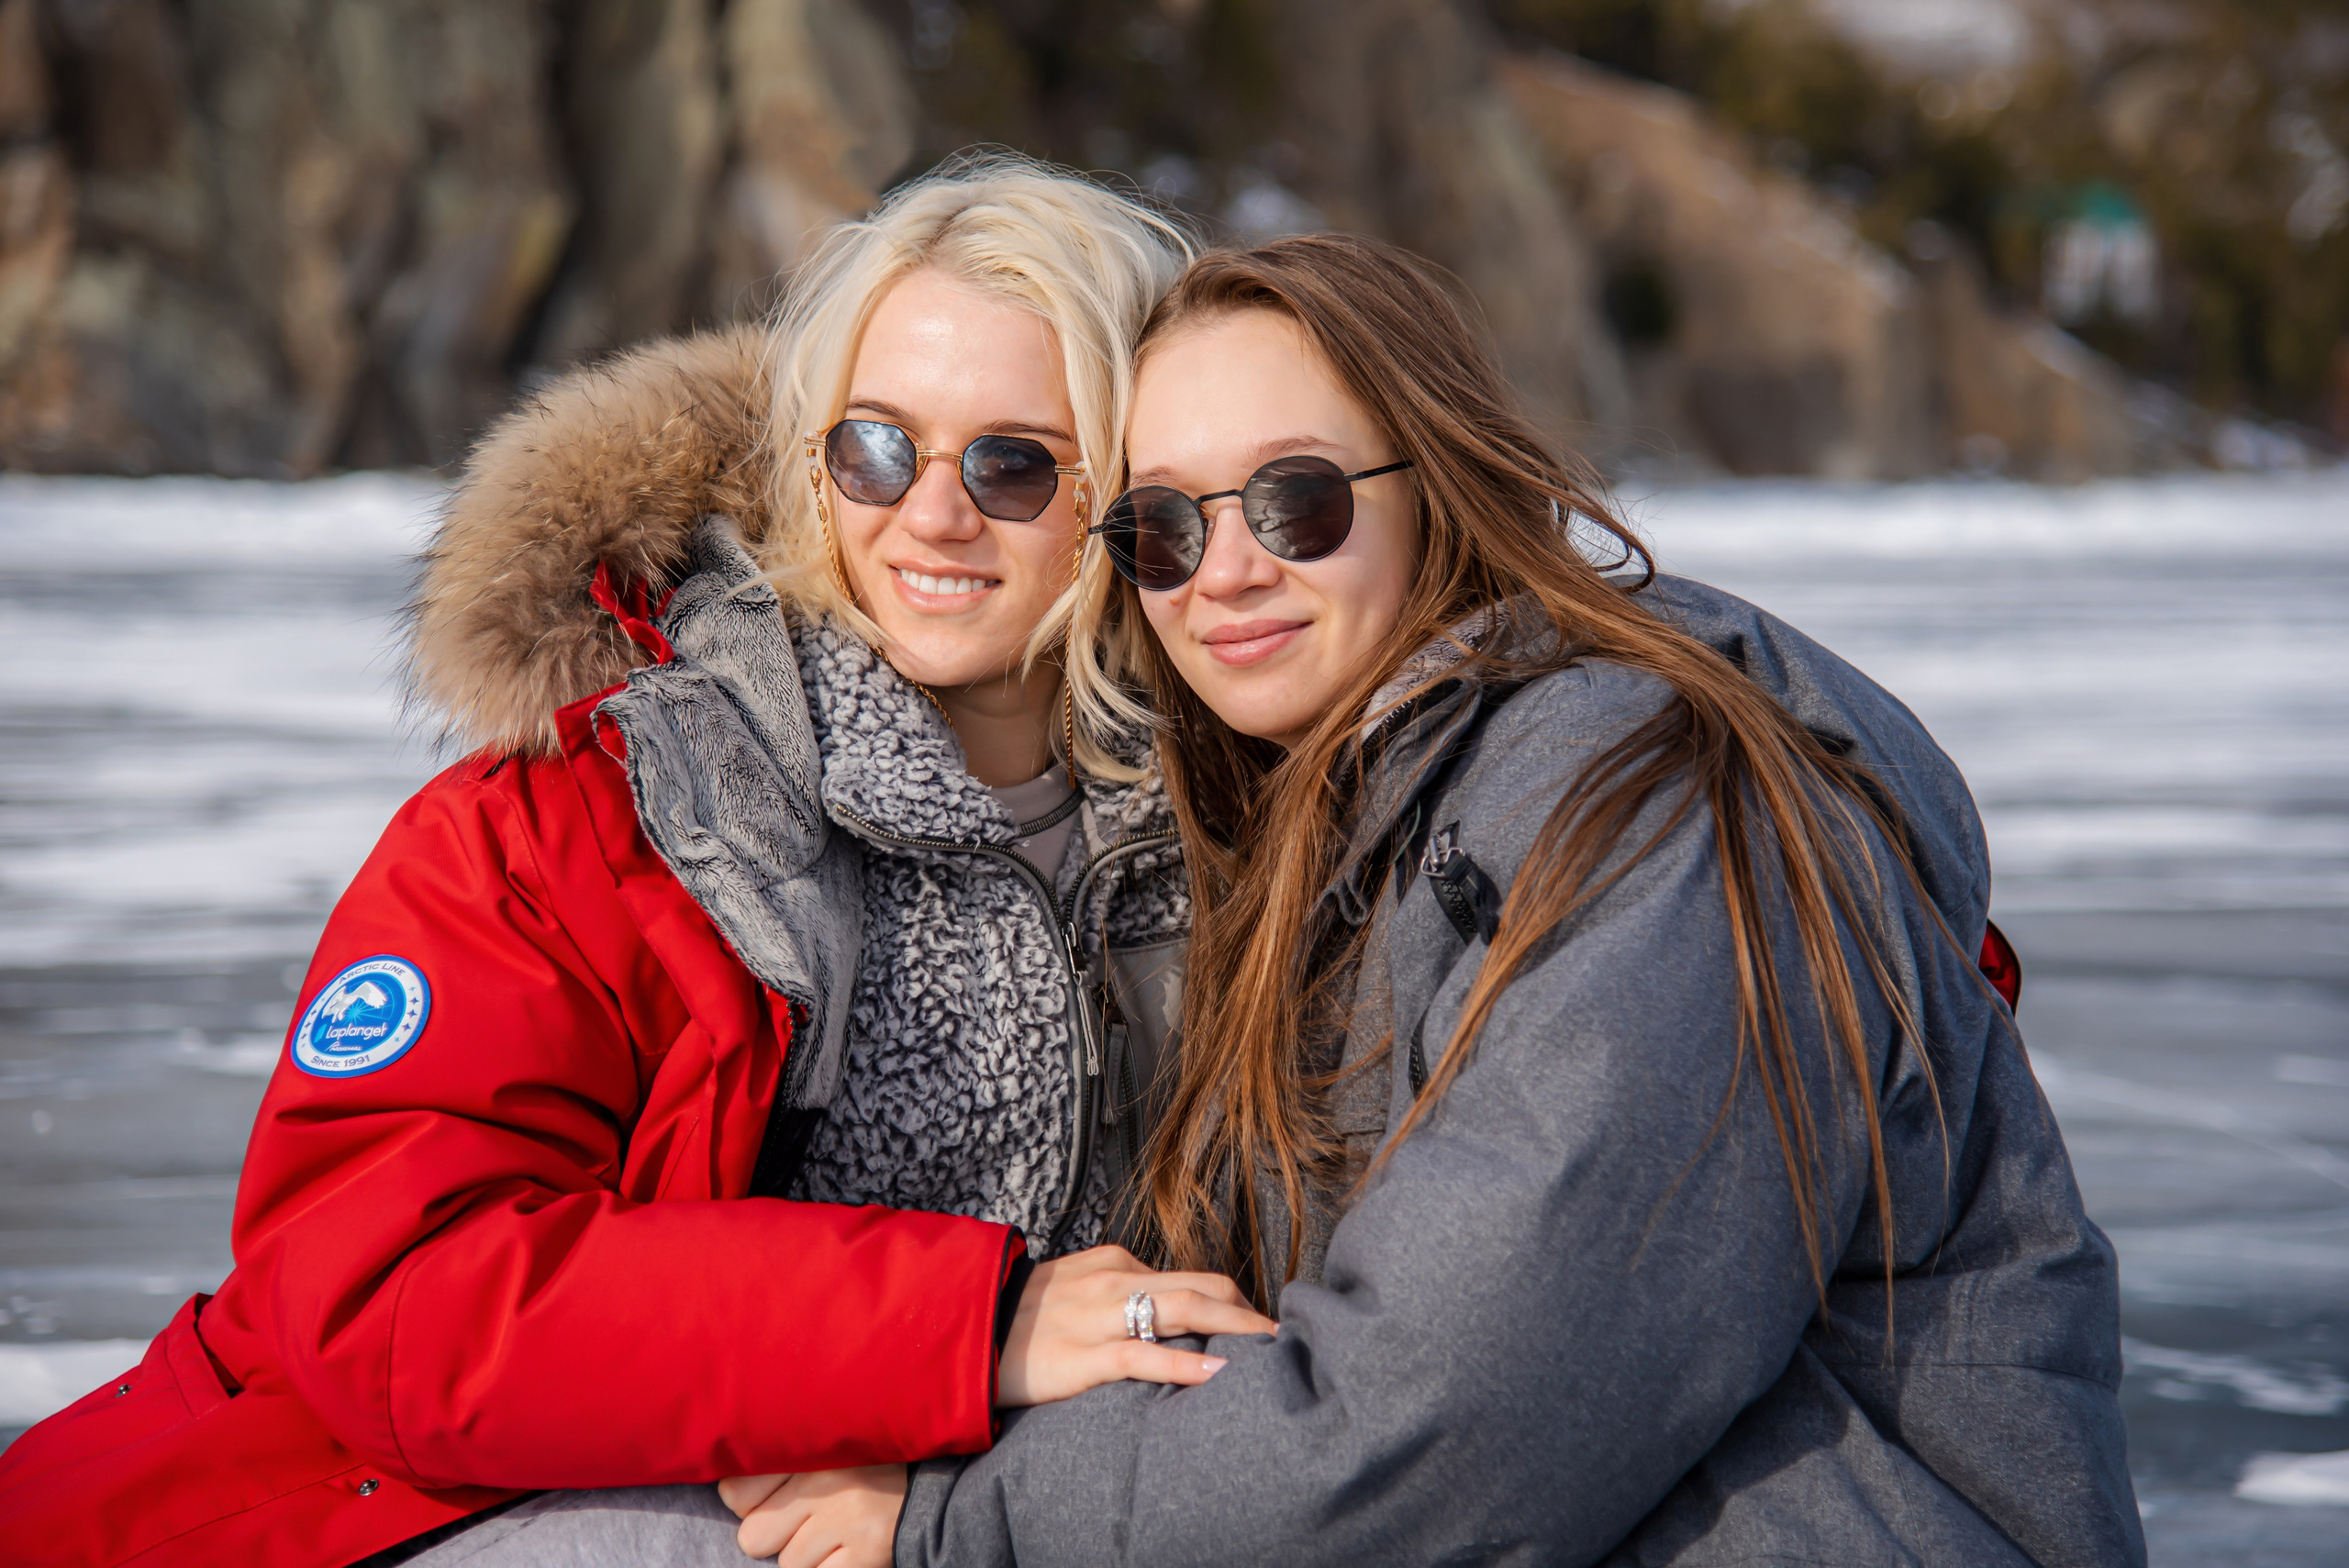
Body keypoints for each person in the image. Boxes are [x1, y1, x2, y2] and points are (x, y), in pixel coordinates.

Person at [0, 156, 1276, 1568]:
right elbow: (398, 1297)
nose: (929, 514)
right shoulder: (581, 811)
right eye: (874, 448)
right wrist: (966, 1328)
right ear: (810, 455)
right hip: (409, 1519)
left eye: (1013, 462)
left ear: (1140, 495)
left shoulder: (1257, 829)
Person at [884, 235, 2144, 1564]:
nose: (1226, 570)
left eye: (1296, 500)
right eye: (1164, 527)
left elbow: (1447, 1431)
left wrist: (958, 1525)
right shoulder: (1331, 836)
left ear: (1435, 480)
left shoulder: (1650, 801)